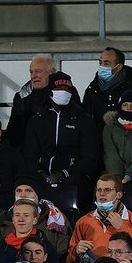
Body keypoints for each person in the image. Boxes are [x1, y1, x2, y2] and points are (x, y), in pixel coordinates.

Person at [23, 72, 100, 200]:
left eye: (67, 89)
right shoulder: (37, 120)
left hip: (74, 176)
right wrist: (40, 173)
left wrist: (63, 174)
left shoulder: (83, 120)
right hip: (41, 176)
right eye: (59, 89)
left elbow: (90, 159)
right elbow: (30, 155)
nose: (63, 92)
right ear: (50, 91)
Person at [67, 174, 132, 263]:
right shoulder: (83, 222)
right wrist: (75, 252)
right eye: (99, 190)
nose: (102, 194)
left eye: (107, 190)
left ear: (118, 195)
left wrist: (123, 228)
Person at [6, 54, 56, 149]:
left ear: (51, 72)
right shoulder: (22, 96)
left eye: (38, 72)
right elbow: (14, 131)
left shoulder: (66, 91)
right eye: (31, 72)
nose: (33, 76)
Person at [82, 46, 132, 124]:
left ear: (119, 67)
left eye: (106, 63)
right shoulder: (92, 89)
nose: (102, 67)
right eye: (100, 63)